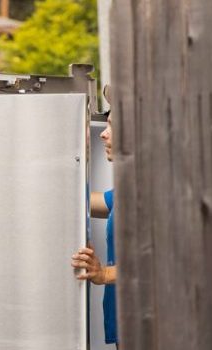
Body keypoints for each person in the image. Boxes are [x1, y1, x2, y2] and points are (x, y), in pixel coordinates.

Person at [72, 86, 119, 347]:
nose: (103, 133)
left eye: (112, 126)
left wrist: (103, 274)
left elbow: (168, 260)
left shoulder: (157, 191)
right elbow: (90, 202)